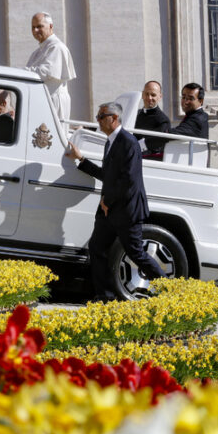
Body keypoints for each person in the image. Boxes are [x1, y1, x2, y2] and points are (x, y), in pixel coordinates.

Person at [64, 102, 164, 300]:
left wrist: (107, 201)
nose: (98, 121)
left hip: (126, 210)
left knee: (136, 253)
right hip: (109, 211)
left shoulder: (129, 142)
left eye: (101, 116)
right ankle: (105, 296)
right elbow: (108, 176)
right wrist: (81, 159)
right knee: (97, 248)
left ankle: (171, 290)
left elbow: (128, 180)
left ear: (114, 118)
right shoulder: (110, 141)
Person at [25, 12, 76, 123]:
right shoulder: (37, 51)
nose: (35, 30)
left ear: (51, 26)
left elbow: (44, 72)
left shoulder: (57, 47)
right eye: (33, 27)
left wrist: (22, 72)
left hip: (53, 100)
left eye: (39, 26)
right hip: (43, 99)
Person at [133, 80, 170, 160]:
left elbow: (157, 147)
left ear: (160, 97)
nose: (149, 98)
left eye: (153, 95)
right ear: (142, 95)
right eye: (146, 94)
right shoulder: (136, 114)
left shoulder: (163, 120)